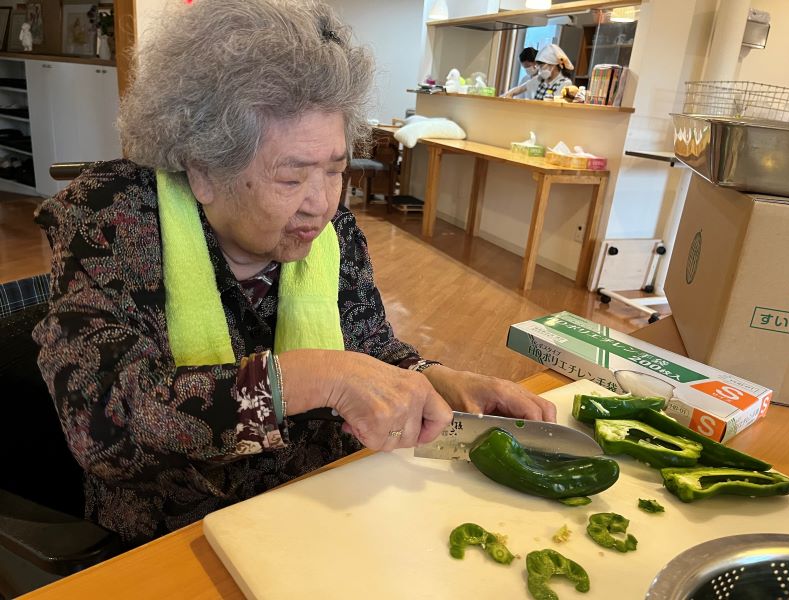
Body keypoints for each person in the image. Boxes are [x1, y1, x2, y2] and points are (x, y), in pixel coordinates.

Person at [33, 0, 556, 548]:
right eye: (291, 179)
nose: (322, 205)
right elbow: (105, 429)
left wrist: (431, 375)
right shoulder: (111, 218)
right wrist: (311, 378)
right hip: (181, 533)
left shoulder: (331, 231)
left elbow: (366, 344)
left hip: (324, 501)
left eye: (335, 170)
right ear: (205, 171)